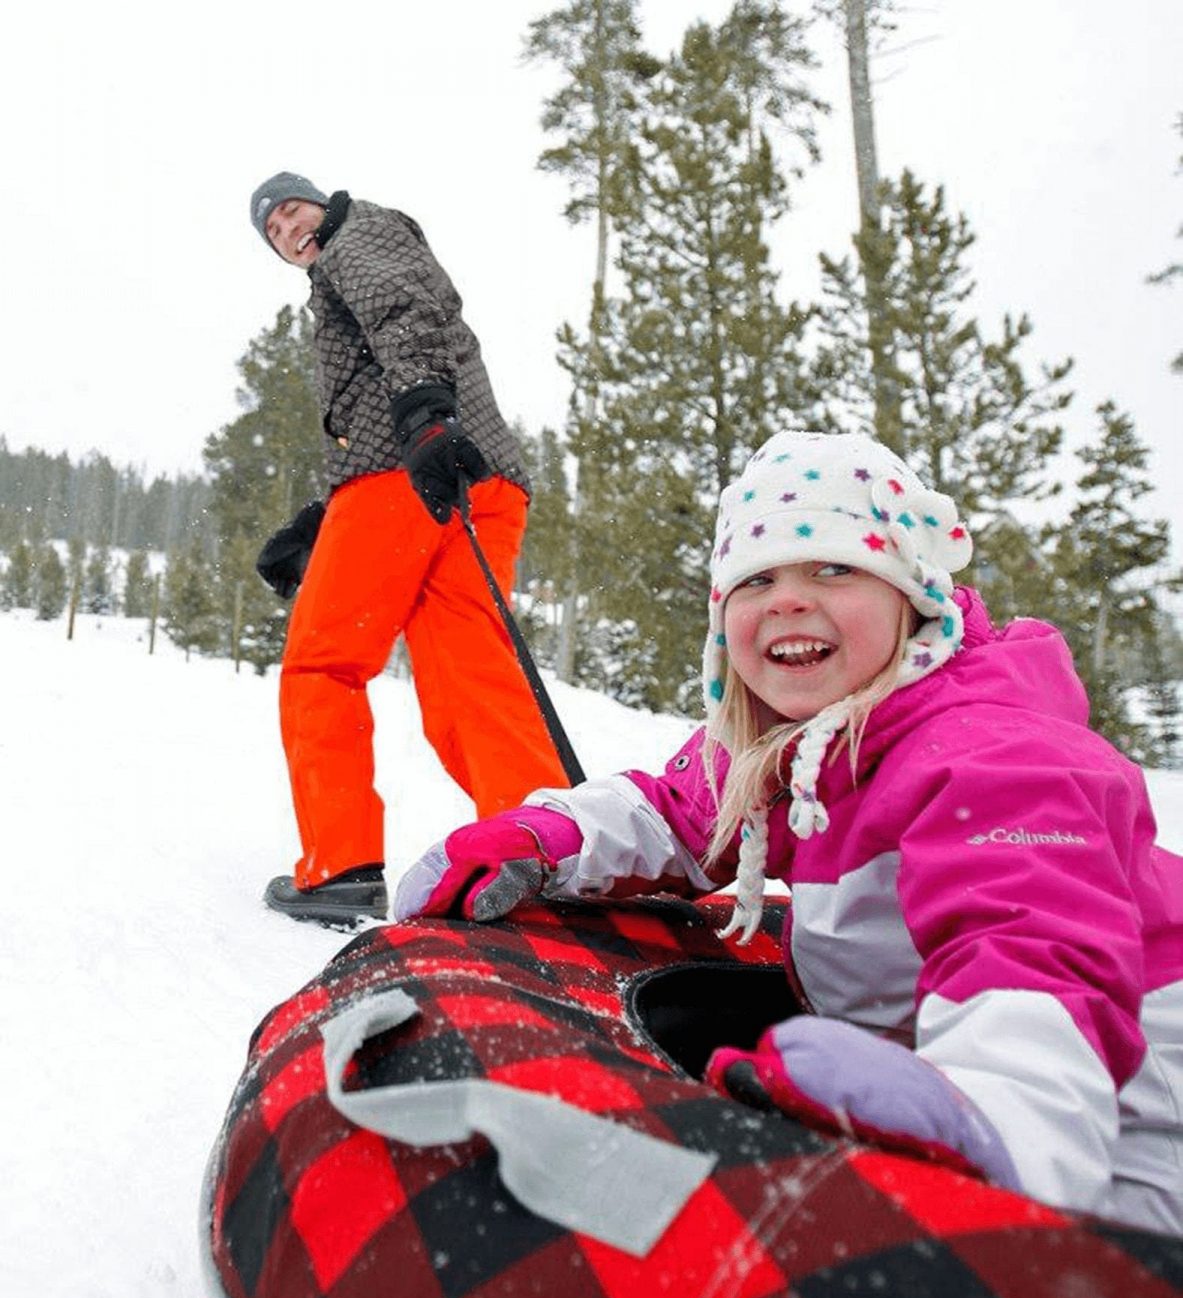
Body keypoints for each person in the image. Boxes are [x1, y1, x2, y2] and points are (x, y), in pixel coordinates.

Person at [393, 429, 1183, 1236]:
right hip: (934, 1060)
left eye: (834, 568)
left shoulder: (995, 755)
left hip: (1130, 1106)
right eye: (756, 579)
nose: (786, 599)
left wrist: (991, 1116)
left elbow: (1032, 950)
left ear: (912, 598)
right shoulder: (793, 745)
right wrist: (551, 834)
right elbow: (675, 810)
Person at [247, 171, 571, 924]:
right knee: (469, 672)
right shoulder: (361, 248)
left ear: (320, 204)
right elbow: (394, 354)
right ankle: (545, 844)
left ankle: (340, 864)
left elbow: (402, 311)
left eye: (292, 210)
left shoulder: (356, 236)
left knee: (323, 664)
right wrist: (323, 520)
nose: (288, 231)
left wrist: (423, 412)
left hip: (410, 473)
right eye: (273, 232)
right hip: (475, 477)